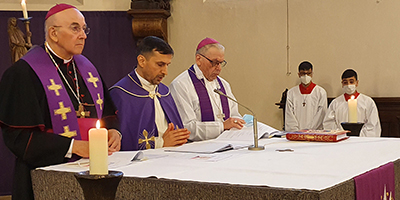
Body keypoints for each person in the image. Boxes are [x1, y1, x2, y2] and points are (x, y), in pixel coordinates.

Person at [0, 4, 121, 199]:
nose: (83, 35)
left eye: (84, 28)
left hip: (93, 170)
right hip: (43, 176)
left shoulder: (87, 69)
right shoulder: (23, 73)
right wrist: (73, 147)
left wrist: (114, 132)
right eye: (75, 28)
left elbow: (108, 113)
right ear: (53, 33)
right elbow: (18, 137)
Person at [109, 36, 190, 150]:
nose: (165, 72)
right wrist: (161, 143)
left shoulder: (164, 91)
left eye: (167, 65)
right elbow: (123, 141)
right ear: (142, 61)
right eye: (160, 64)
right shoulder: (121, 94)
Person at [169, 37, 244, 141]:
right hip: (195, 150)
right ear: (198, 59)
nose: (219, 68)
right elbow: (187, 127)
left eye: (221, 63)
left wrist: (239, 123)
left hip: (226, 146)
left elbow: (234, 115)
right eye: (214, 62)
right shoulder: (181, 85)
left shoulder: (224, 85)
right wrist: (222, 126)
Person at [323, 69, 381, 137]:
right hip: (341, 140)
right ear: (342, 84)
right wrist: (342, 133)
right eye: (345, 82)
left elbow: (372, 126)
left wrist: (357, 134)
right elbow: (329, 123)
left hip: (361, 140)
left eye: (351, 82)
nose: (348, 85)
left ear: (357, 83)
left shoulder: (368, 102)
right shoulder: (335, 103)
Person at [285, 61, 327, 131]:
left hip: (315, 132)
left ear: (312, 74)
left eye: (308, 74)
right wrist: (296, 131)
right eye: (303, 74)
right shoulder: (291, 93)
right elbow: (289, 115)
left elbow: (321, 114)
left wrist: (311, 130)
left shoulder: (320, 92)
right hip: (297, 133)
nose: (306, 76)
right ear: (299, 74)